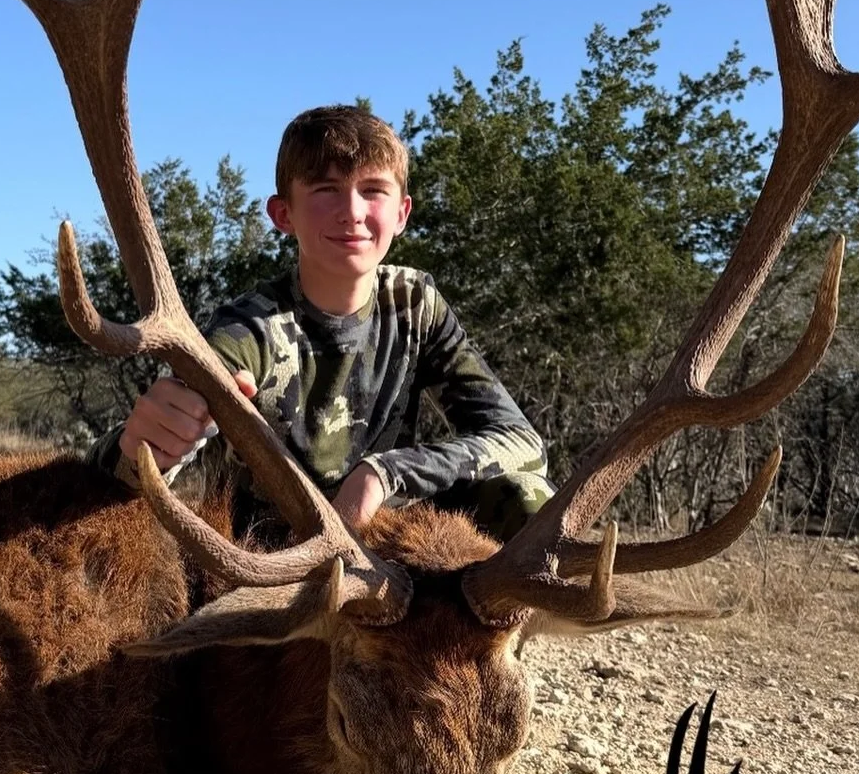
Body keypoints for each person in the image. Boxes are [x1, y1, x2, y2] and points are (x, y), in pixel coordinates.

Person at [89, 105, 550, 540]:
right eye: (325, 189)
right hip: (272, 570)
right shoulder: (249, 330)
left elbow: (522, 443)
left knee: (529, 501)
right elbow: (118, 471)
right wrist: (141, 448)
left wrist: (385, 474)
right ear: (282, 214)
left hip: (384, 555)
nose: (351, 211)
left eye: (373, 190)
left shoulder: (416, 304)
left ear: (402, 213)